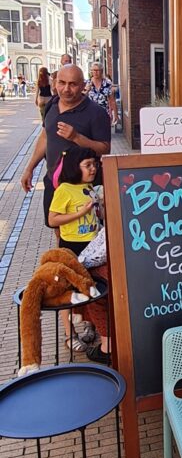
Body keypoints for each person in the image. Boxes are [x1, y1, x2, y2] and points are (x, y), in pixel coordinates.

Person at [20, 64, 111, 234]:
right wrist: (29, 168)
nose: (66, 89)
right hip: (54, 180)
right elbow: (45, 136)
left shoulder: (96, 113)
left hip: (82, 185)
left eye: (73, 84)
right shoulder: (52, 105)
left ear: (83, 86)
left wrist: (76, 137)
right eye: (61, 83)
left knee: (87, 232)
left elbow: (105, 149)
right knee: (57, 226)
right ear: (54, 83)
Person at [47, 147, 101, 353]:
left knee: (92, 286)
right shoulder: (64, 189)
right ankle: (69, 334)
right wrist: (81, 213)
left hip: (93, 245)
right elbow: (52, 219)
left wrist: (100, 208)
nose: (93, 169)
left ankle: (91, 324)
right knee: (67, 289)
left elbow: (98, 215)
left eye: (94, 164)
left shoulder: (90, 187)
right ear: (74, 167)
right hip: (71, 247)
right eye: (87, 165)